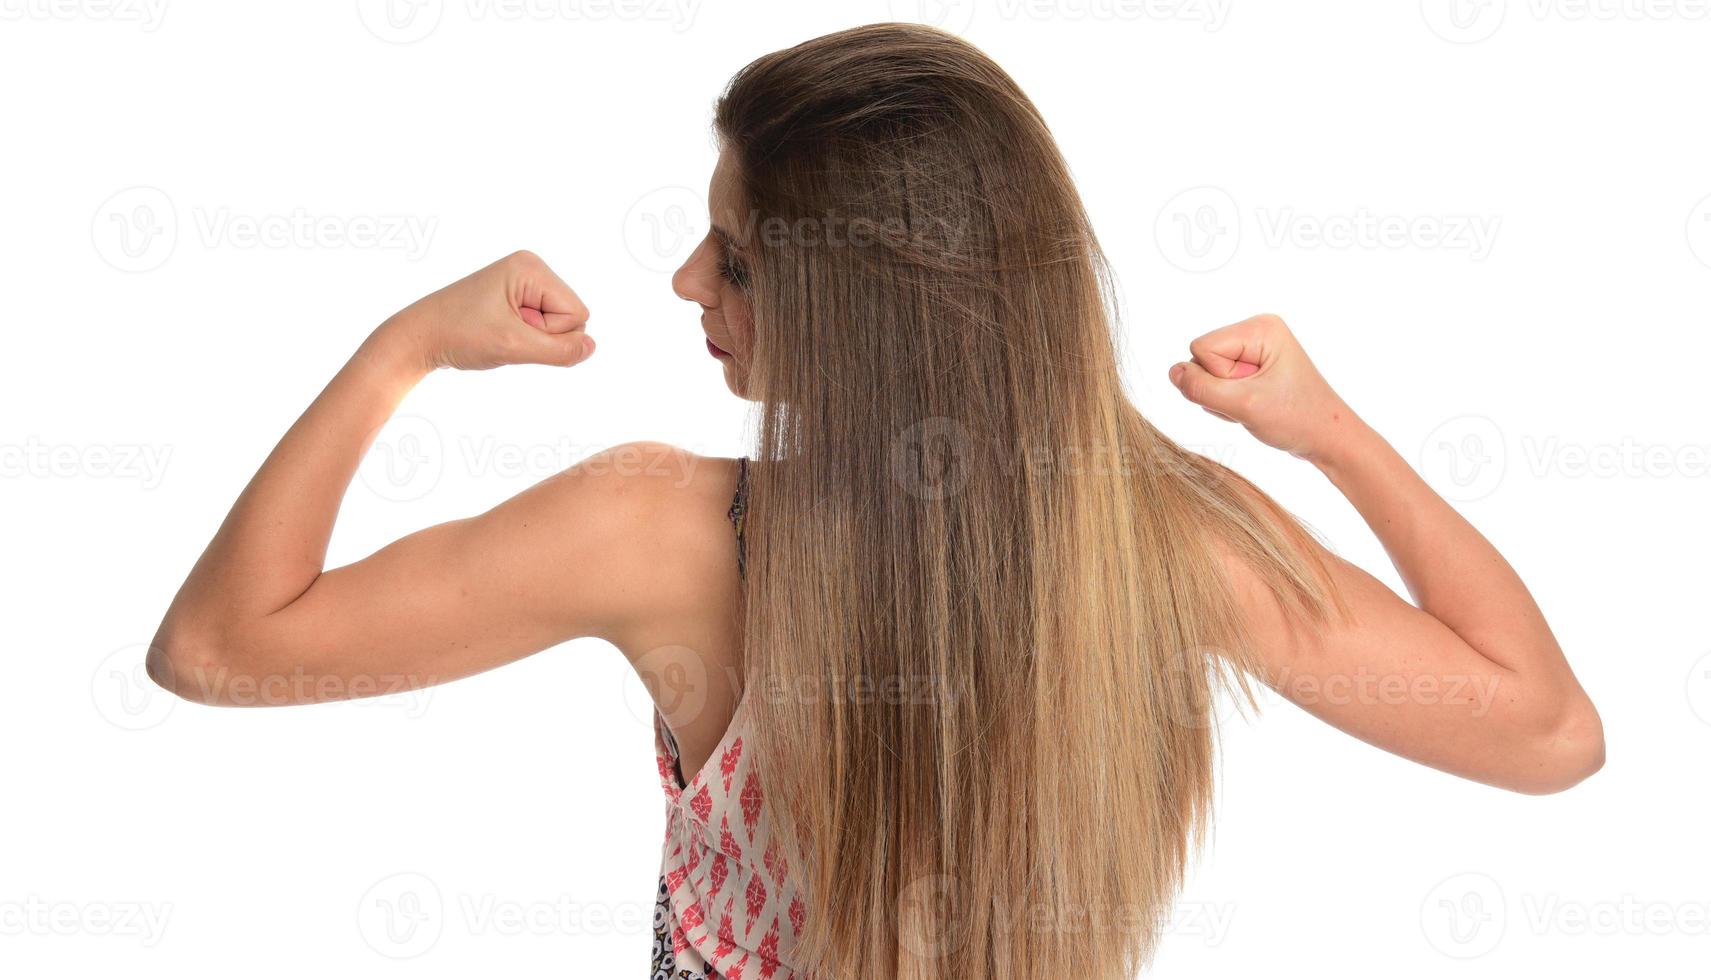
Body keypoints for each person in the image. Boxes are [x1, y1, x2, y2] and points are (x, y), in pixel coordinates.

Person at [147, 23, 1603, 980]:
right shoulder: (1167, 539)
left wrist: (403, 348)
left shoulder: (658, 531)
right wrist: (1329, 430)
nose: (686, 286)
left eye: (737, 259)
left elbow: (216, 649)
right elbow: (1546, 733)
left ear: (857, 316)